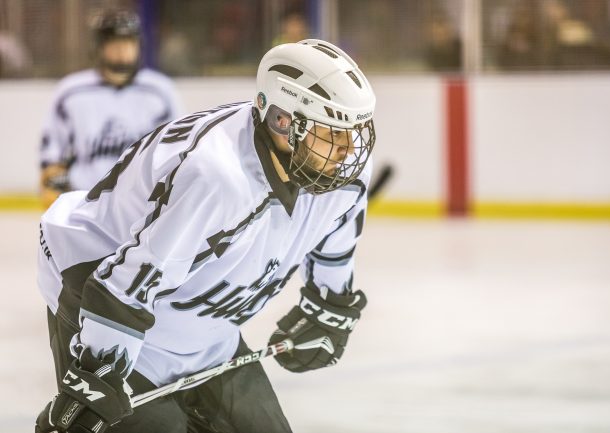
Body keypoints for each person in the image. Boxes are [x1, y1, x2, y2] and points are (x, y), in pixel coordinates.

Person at [35, 38, 376, 433]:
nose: (349, 148)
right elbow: (126, 284)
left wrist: (329, 305)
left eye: (353, 129)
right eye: (331, 132)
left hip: (202, 331)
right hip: (101, 286)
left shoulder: (342, 176)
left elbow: (335, 246)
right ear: (282, 122)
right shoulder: (218, 177)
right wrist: (95, 374)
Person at [39, 10, 183, 208]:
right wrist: (54, 190)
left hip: (142, 205)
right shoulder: (71, 93)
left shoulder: (160, 91)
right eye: (115, 44)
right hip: (85, 204)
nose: (123, 51)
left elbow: (177, 151)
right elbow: (52, 155)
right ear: (98, 47)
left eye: (128, 43)